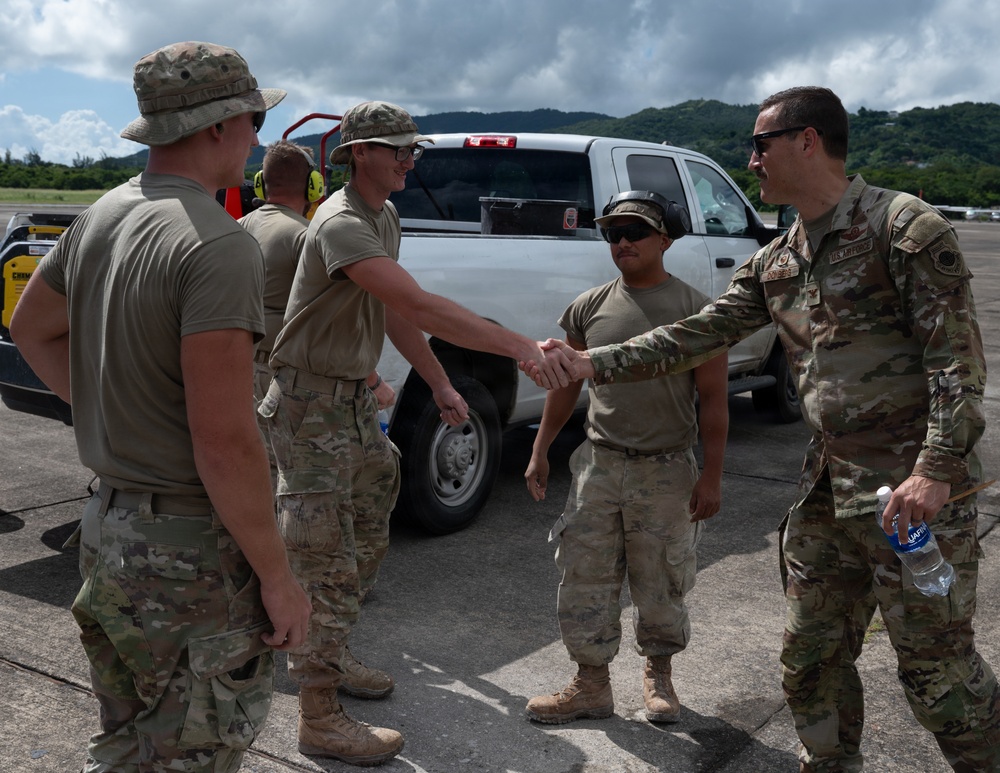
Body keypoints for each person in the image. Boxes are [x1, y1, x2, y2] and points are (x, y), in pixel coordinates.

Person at [529, 86, 999, 772]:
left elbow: (956, 365)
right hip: (828, 491)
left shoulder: (903, 228)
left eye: (760, 144)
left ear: (806, 142)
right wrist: (587, 361)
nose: (750, 160)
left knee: (938, 675)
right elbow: (695, 335)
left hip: (912, 495)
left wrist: (933, 468)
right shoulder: (779, 257)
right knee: (809, 658)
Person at [9, 41, 311, 772]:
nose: (260, 138)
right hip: (187, 553)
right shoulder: (217, 243)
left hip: (107, 528)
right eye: (254, 118)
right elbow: (224, 439)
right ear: (216, 125)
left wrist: (112, 410)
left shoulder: (106, 213)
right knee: (188, 752)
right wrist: (278, 576)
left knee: (125, 743)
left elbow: (29, 326)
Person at [258, 100, 570, 766]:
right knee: (324, 560)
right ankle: (318, 715)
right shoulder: (341, 221)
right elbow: (425, 305)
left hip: (346, 402)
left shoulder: (385, 216)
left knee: (377, 502)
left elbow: (399, 311)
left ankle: (330, 646)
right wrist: (520, 345)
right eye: (398, 150)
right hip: (308, 404)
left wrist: (443, 383)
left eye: (412, 151)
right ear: (360, 153)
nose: (409, 160)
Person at [522, 191, 729, 726]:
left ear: (665, 239)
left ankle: (659, 678)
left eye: (636, 231)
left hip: (666, 470)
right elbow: (565, 386)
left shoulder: (697, 312)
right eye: (613, 233)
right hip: (599, 465)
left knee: (661, 579)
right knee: (584, 575)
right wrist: (541, 448)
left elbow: (714, 401)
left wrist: (711, 475)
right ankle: (591, 686)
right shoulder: (588, 307)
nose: (623, 242)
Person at [238, 139, 315, 481]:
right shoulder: (305, 236)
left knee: (242, 457)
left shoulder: (236, 228)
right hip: (276, 371)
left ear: (260, 183)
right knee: (282, 467)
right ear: (314, 186)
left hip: (232, 359)